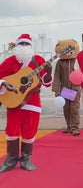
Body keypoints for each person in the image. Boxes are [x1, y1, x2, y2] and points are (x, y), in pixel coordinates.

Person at [0, 34, 53, 172]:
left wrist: (49, 72)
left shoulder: (39, 60)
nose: (23, 47)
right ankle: (10, 159)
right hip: (14, 102)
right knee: (12, 130)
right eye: (21, 44)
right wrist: (4, 83)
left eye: (26, 44)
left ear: (31, 46)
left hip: (33, 101)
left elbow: (46, 83)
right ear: (16, 46)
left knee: (30, 130)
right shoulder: (10, 61)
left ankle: (26, 159)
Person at [52, 39, 81, 136]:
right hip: (64, 89)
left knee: (74, 108)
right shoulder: (60, 62)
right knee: (66, 108)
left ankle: (75, 127)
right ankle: (69, 126)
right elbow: (57, 76)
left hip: (75, 88)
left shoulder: (77, 61)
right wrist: (56, 90)